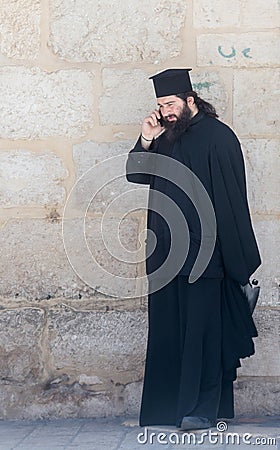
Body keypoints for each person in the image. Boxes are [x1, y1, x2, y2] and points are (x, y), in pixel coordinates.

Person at [126, 69, 261, 430]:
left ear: (190, 100)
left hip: (206, 258)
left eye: (170, 104)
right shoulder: (164, 137)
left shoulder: (219, 138)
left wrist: (238, 264)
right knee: (168, 333)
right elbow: (136, 176)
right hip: (166, 256)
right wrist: (146, 139)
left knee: (202, 336)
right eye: (160, 105)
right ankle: (166, 409)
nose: (165, 111)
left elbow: (232, 202)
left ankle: (200, 410)